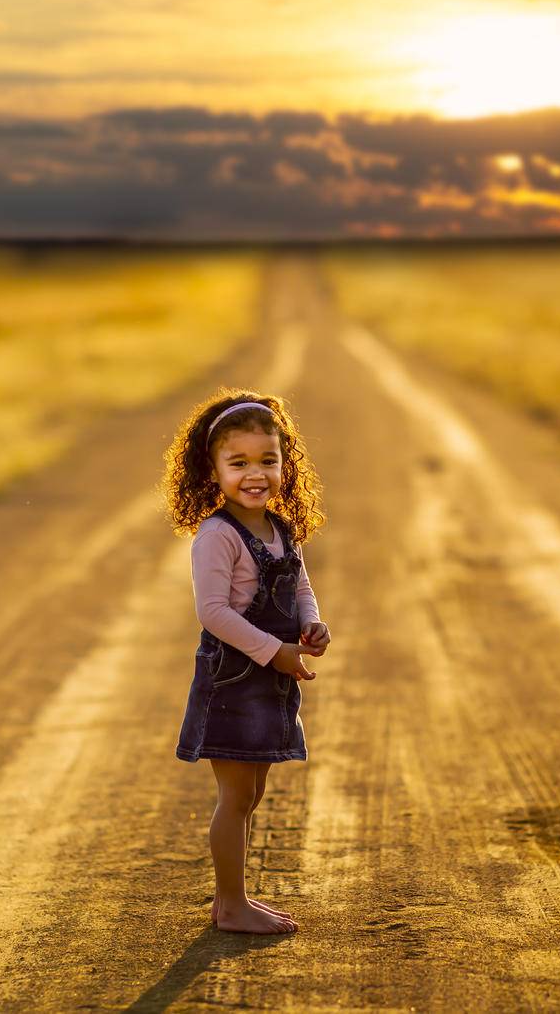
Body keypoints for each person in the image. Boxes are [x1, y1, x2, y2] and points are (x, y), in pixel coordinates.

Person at [160, 389, 331, 934]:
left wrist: (309, 623)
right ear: (213, 472)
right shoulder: (216, 535)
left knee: (252, 793)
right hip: (233, 677)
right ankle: (231, 905)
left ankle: (234, 900)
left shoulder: (279, 527)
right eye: (238, 464)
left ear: (286, 463)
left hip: (270, 671)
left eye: (268, 460)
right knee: (235, 797)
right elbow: (212, 612)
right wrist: (272, 651)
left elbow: (299, 584)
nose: (254, 474)